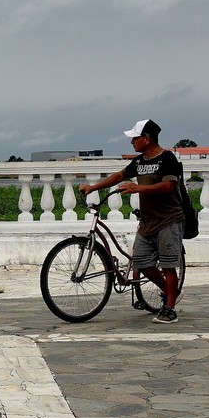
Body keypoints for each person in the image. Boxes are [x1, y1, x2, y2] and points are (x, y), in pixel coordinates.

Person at [78, 118, 184, 324]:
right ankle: (172, 292)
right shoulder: (140, 161)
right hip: (148, 221)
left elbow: (169, 186)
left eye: (135, 138)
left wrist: (139, 188)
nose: (132, 142)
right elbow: (119, 176)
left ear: (147, 138)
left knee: (169, 266)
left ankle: (170, 309)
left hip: (169, 220)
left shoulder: (167, 158)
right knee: (143, 263)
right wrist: (93, 187)